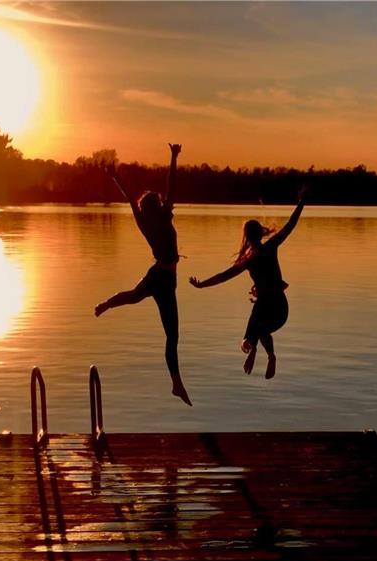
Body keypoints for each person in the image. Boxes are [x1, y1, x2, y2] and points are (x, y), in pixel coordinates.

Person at [95, 143, 191, 406]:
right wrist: (173, 157)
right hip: (165, 279)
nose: (163, 201)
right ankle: (176, 384)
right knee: (172, 336)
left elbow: (129, 199)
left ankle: (106, 304)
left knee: (135, 296)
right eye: (160, 201)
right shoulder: (163, 219)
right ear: (157, 205)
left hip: (157, 274)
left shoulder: (145, 223)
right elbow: (171, 186)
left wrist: (116, 178)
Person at [189, 188, 307, 379]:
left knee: (253, 335)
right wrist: (301, 202)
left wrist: (202, 285)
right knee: (255, 333)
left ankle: (257, 352)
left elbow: (223, 275)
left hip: (274, 305)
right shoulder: (265, 249)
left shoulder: (253, 258)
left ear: (247, 237)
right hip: (274, 305)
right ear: (260, 234)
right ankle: (265, 354)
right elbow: (290, 225)